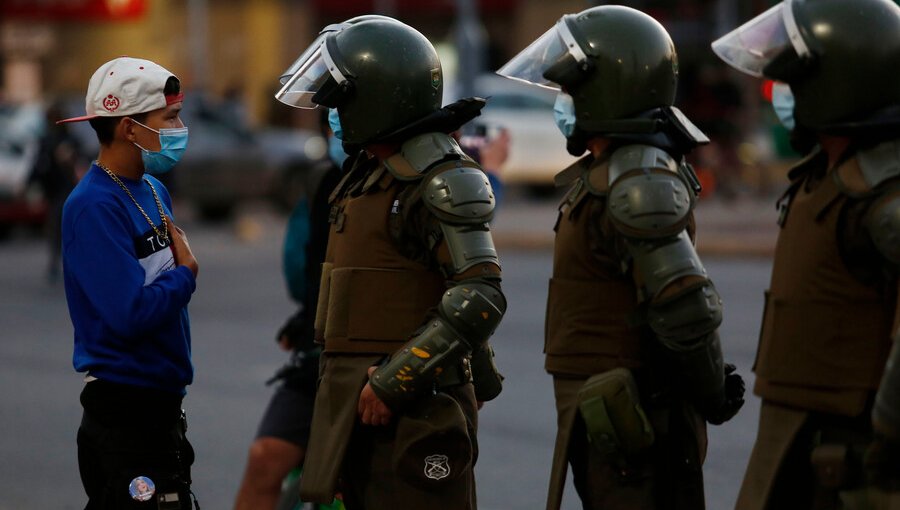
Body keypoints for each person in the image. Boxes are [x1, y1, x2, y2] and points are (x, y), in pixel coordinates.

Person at [497, 6, 745, 509]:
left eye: (571, 92)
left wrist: (712, 391)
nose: (563, 104)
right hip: (608, 412)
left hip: (637, 415)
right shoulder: (610, 169)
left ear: (604, 91)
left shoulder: (637, 180)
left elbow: (684, 304)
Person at [275, 15, 506, 509]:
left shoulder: (439, 178)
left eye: (339, 96)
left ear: (374, 97)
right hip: (356, 403)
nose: (330, 109)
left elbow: (478, 294)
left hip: (409, 407)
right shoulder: (370, 172)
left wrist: (396, 379)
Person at [711, 0, 900, 507]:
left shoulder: (881, 191)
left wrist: (887, 428)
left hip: (850, 458)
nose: (781, 96)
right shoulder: (825, 175)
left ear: (838, 82)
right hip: (800, 442)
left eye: (794, 80)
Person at [59, 56, 199, 510]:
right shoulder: (93, 206)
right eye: (170, 118)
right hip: (124, 414)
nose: (180, 128)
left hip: (162, 408)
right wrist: (186, 277)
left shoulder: (154, 190)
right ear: (129, 128)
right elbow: (127, 314)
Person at [233, 108, 345, 510]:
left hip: (385, 366)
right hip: (320, 357)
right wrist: (305, 320)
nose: (338, 123)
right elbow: (308, 273)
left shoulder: (415, 178)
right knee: (265, 458)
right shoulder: (324, 179)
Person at [30, 101, 86, 282]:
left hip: (66, 190)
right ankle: (58, 263)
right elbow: (39, 166)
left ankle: (63, 263)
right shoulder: (49, 140)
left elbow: (82, 161)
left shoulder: (69, 140)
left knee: (63, 228)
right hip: (58, 191)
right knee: (59, 229)